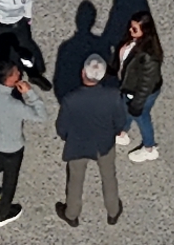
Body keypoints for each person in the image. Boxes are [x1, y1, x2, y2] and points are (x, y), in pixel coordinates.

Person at [54, 53, 131, 226]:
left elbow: (62, 127)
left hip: (78, 144)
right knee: (109, 176)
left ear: (83, 73)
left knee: (75, 180)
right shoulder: (112, 95)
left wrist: (67, 137)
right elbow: (120, 121)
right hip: (104, 143)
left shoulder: (71, 99)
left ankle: (72, 214)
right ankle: (113, 211)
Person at [0, 60, 50, 225]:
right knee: (10, 180)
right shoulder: (15, 105)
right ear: (10, 78)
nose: (20, 74)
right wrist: (30, 93)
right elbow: (41, 116)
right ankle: (2, 213)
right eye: (16, 73)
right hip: (12, 148)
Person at [115, 9, 165, 159]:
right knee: (125, 108)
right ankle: (122, 132)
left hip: (140, 92)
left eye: (134, 29)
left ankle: (149, 148)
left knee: (141, 117)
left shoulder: (149, 56)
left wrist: (137, 103)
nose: (130, 30)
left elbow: (146, 84)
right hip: (129, 87)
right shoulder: (134, 42)